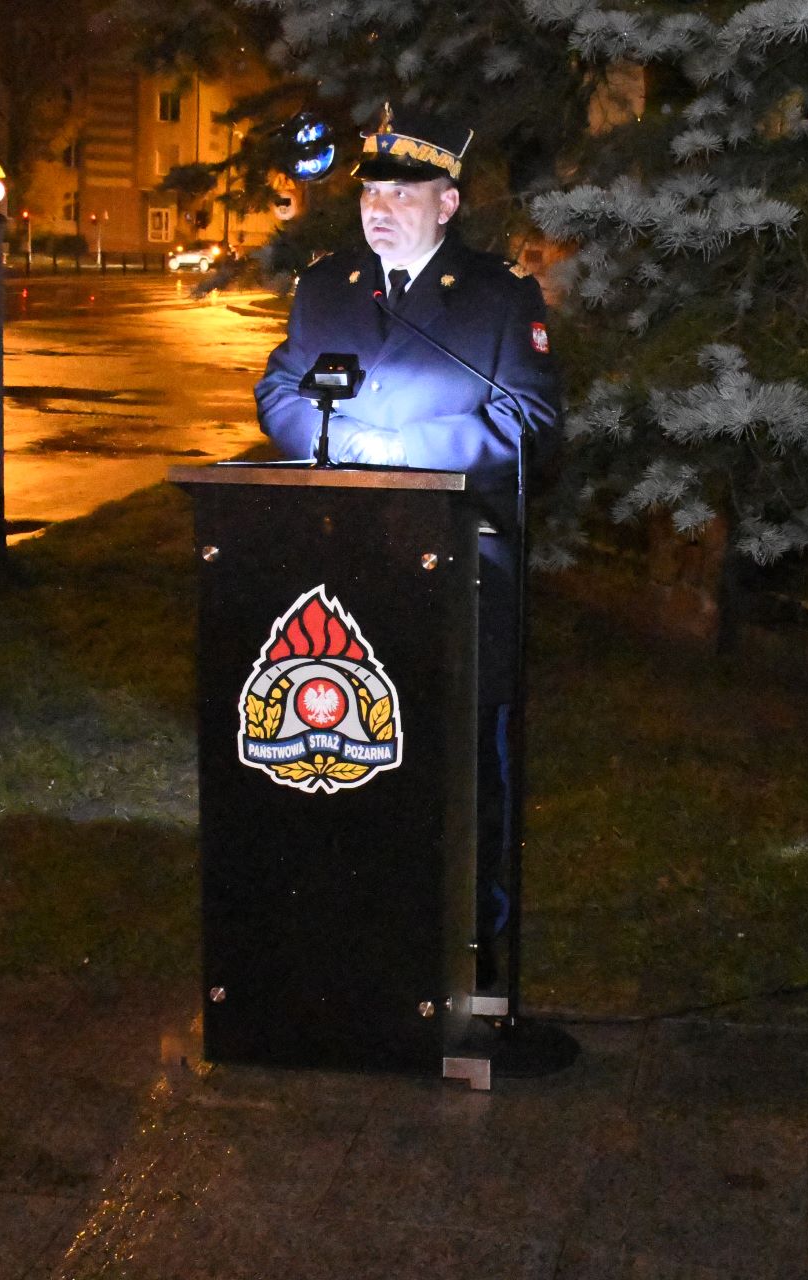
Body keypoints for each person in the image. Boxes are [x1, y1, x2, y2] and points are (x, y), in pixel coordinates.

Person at [254, 104, 562, 989]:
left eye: (401, 194)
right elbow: (279, 390)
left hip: (461, 571)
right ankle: (357, 938)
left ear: (447, 204)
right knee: (349, 758)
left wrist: (403, 454)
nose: (379, 210)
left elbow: (530, 423)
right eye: (371, 194)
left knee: (463, 777)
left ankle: (473, 956)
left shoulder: (499, 297)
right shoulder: (328, 289)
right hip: (343, 570)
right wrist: (341, 444)